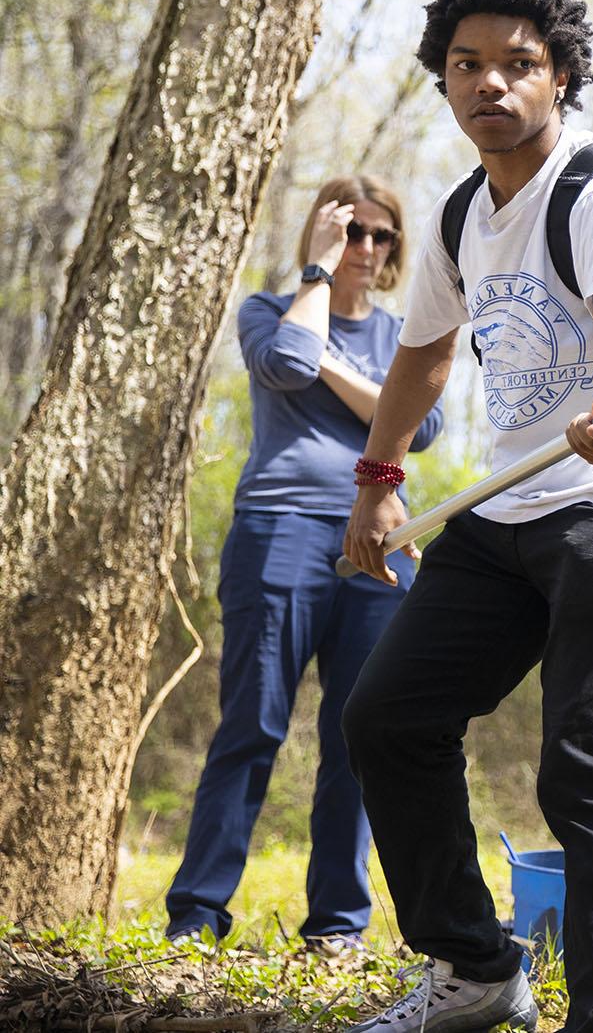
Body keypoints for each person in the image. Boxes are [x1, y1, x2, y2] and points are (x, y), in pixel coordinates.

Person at [340, 0, 593, 1033]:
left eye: (518, 64)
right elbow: (420, 357)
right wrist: (378, 477)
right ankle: (474, 966)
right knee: (387, 717)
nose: (490, 84)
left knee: (589, 771)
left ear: (560, 76)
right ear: (444, 78)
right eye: (467, 65)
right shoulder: (463, 212)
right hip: (513, 505)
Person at [166, 177, 441, 950]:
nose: (366, 247)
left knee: (359, 732)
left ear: (394, 251)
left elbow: (421, 428)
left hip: (377, 545)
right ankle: (196, 911)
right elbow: (288, 361)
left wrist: (343, 373)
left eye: (380, 235)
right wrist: (314, 285)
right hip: (277, 532)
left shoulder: (399, 336)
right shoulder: (269, 309)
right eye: (350, 231)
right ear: (323, 235)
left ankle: (337, 926)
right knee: (251, 722)